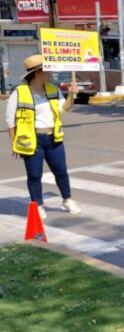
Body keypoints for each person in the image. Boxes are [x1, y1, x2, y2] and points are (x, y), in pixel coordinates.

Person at [6, 54, 81, 219]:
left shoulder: (52, 90)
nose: (50, 74)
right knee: (34, 174)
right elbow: (10, 120)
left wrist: (71, 95)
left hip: (53, 138)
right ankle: (38, 205)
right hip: (32, 140)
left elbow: (64, 109)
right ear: (37, 73)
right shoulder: (19, 93)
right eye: (47, 71)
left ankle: (67, 200)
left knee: (61, 171)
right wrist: (13, 143)